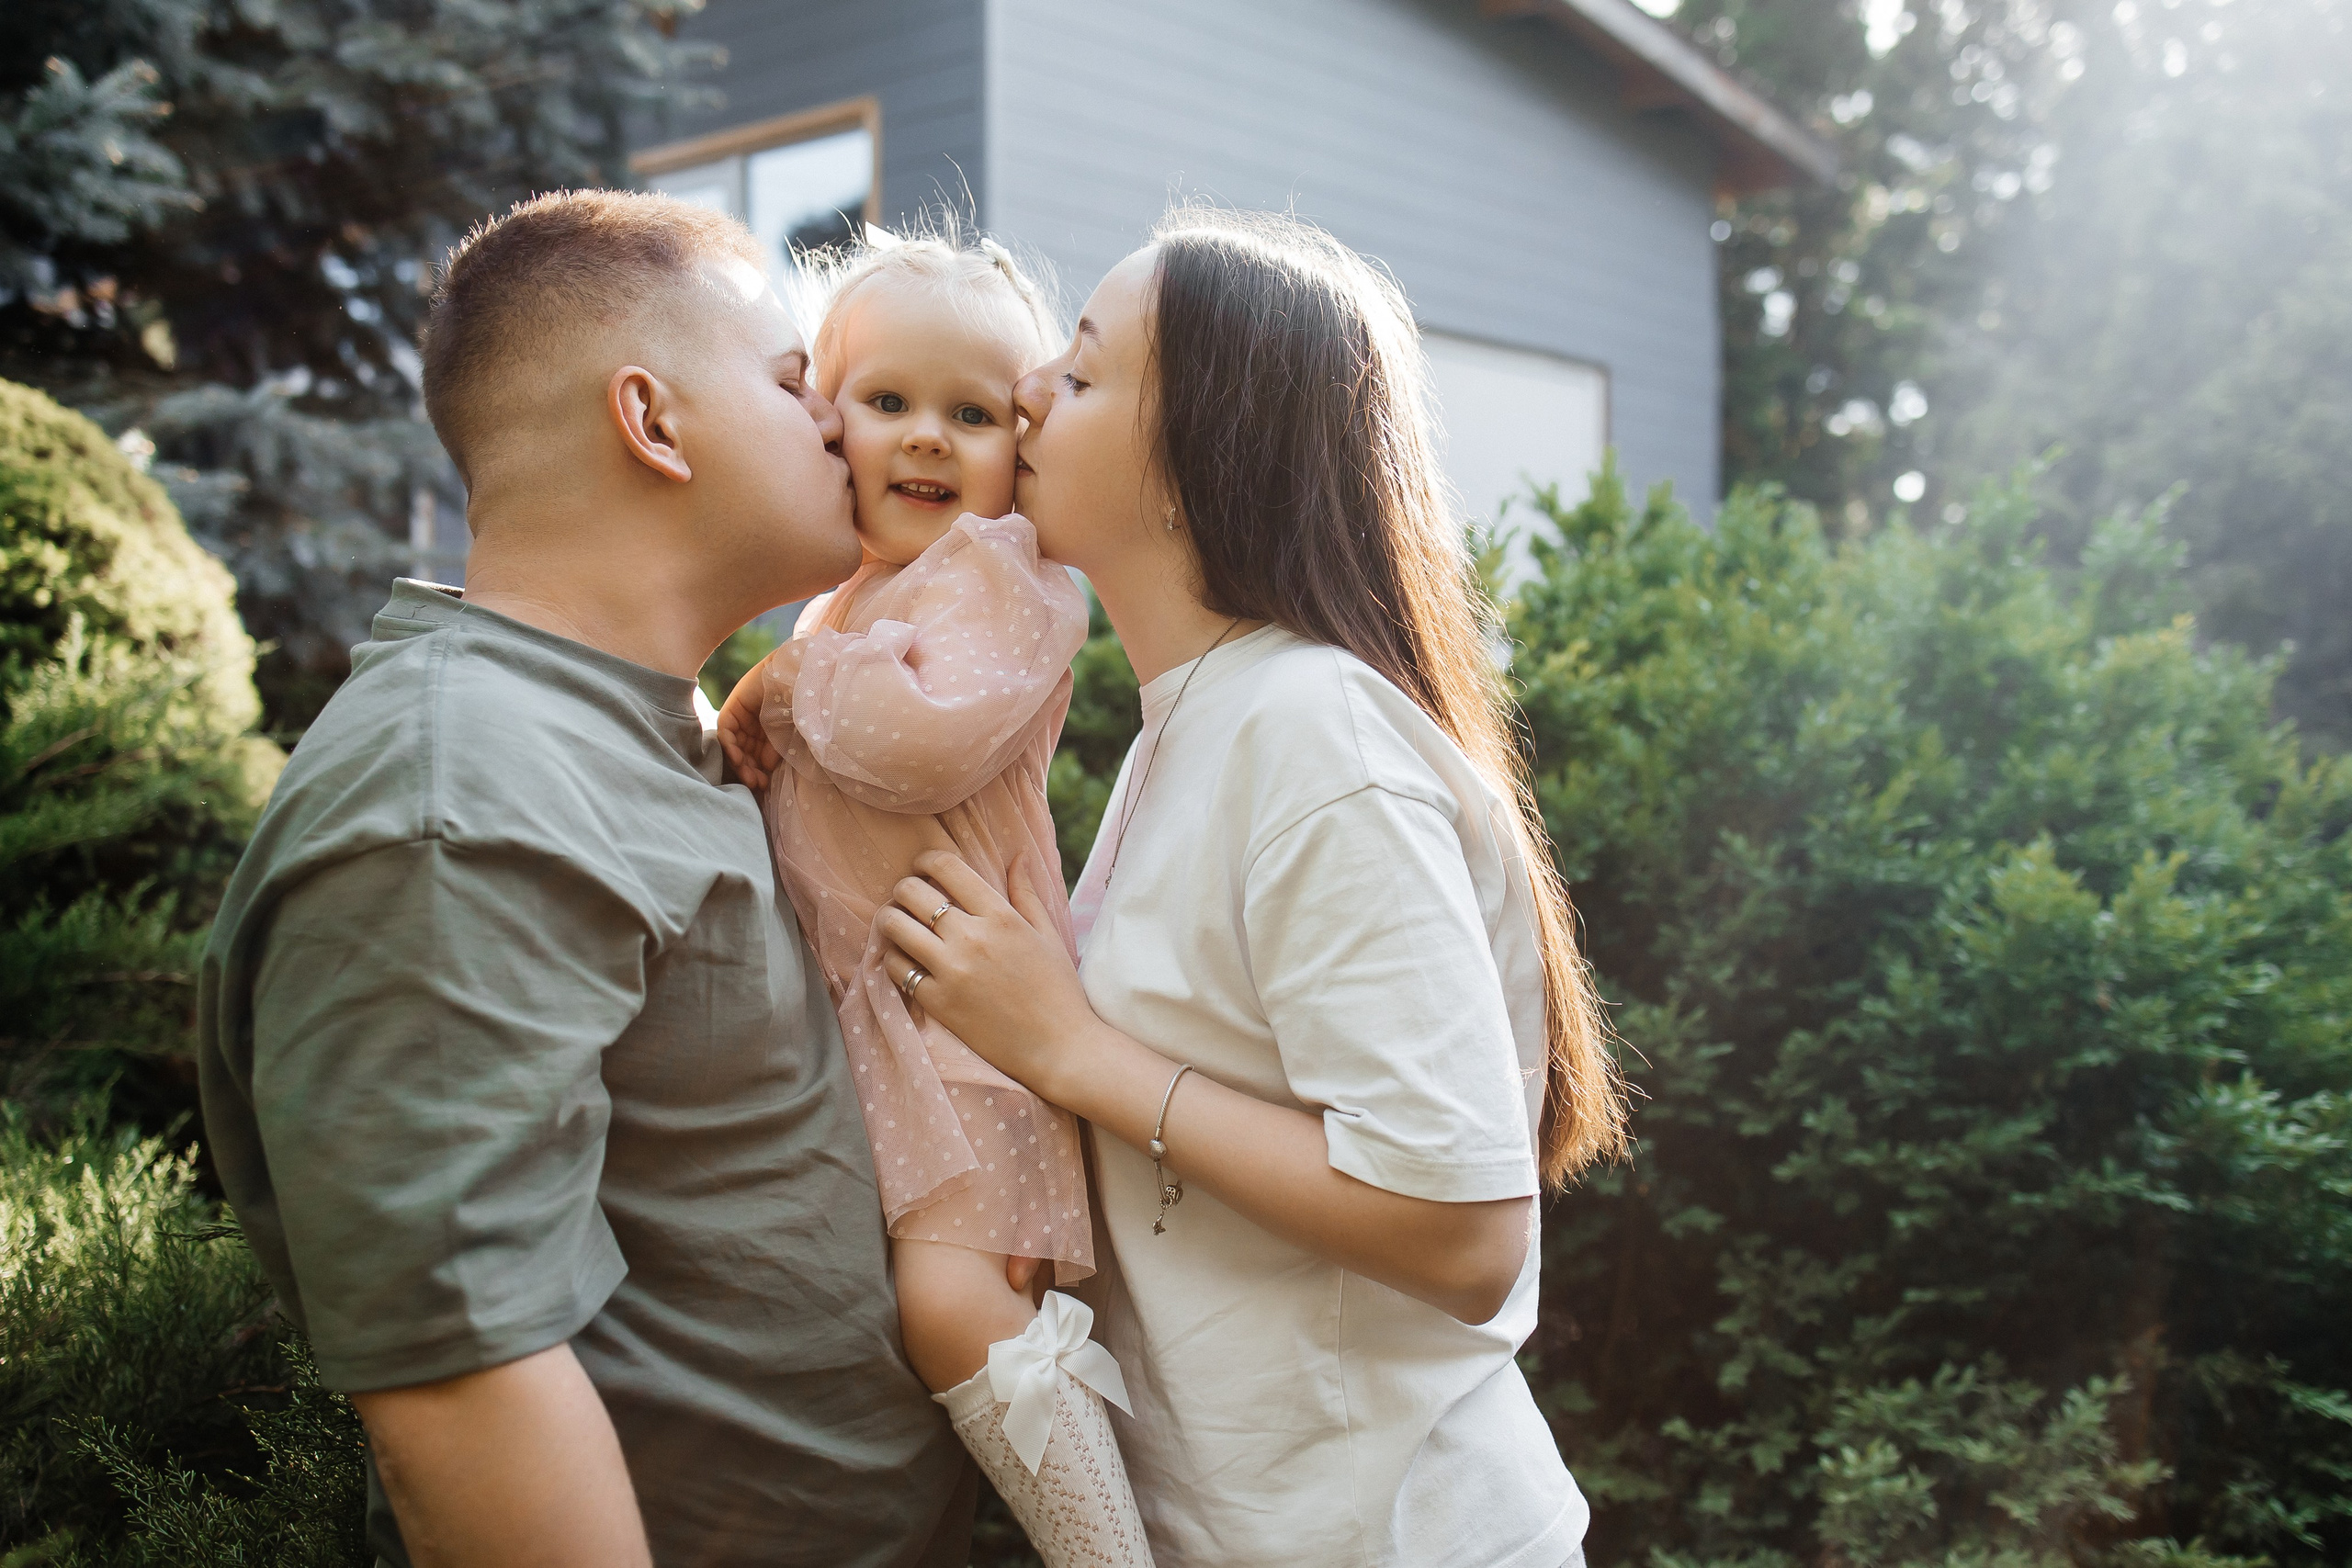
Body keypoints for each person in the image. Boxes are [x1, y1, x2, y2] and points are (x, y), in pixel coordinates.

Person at [195, 189, 970, 1568]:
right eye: (800, 384)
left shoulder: (643, 729)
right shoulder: (457, 796)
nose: (841, 424)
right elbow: (463, 1397)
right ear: (652, 420)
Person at [865, 206, 1633, 1568]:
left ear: (1190, 463)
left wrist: (1073, 1051)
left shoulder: (1311, 732)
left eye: (1086, 372)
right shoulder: (1197, 725)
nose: (1032, 388)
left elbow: (1461, 1230)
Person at [716, 228, 1153, 1566]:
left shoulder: (1010, 580)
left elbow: (916, 738)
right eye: (887, 402)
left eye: (971, 414)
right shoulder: (844, 599)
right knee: (910, 1317)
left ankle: (1106, 1554)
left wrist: (782, 689)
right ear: (820, 420)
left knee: (956, 1309)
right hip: (877, 1031)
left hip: (967, 1032)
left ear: (1017, 449)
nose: (924, 440)